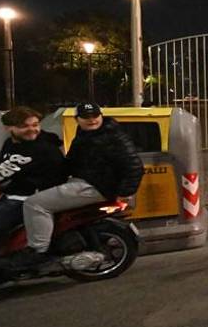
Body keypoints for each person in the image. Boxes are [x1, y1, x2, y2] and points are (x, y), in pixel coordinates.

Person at [0, 107, 68, 303]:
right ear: (9, 128)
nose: (32, 130)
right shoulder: (12, 145)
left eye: (35, 125)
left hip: (24, 200)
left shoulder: (36, 149)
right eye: (24, 126)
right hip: (17, 195)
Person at [22, 103, 144, 258]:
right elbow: (72, 161)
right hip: (84, 182)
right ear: (77, 119)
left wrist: (125, 192)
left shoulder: (113, 137)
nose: (91, 120)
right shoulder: (85, 134)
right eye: (86, 117)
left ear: (101, 115)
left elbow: (134, 166)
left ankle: (38, 251)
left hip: (97, 187)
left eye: (95, 116)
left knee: (35, 204)